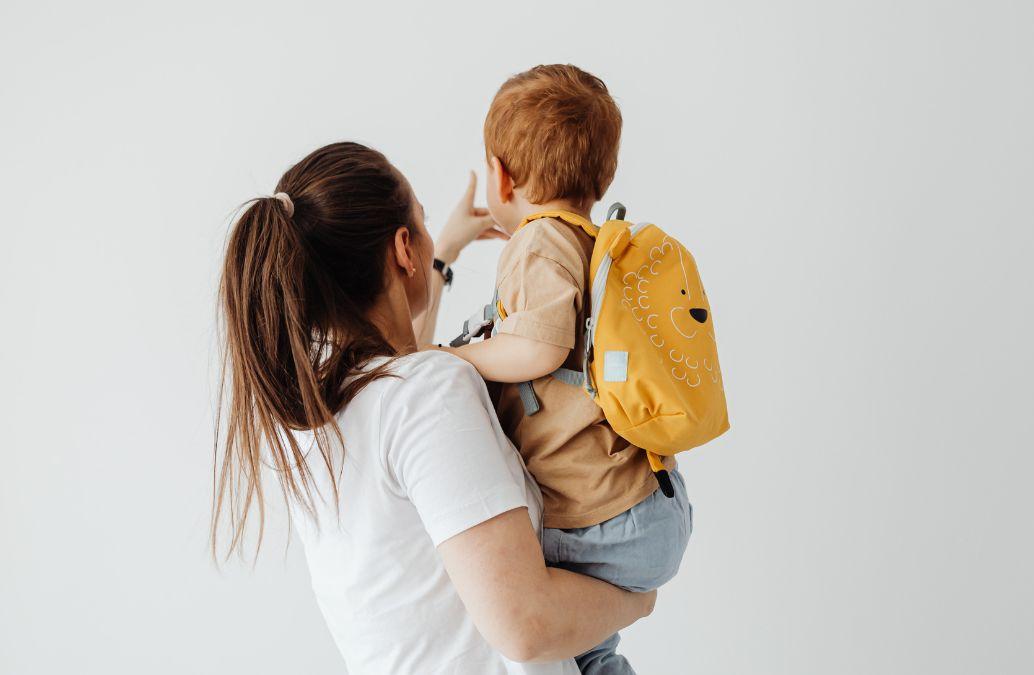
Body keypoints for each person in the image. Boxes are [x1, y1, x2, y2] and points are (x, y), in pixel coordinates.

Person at [214, 141, 657, 674]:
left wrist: (442, 253)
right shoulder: (426, 394)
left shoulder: (312, 414)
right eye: (419, 224)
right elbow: (525, 624)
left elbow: (403, 366)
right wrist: (637, 595)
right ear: (404, 249)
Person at [438, 65, 694, 674]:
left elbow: (540, 348)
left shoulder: (536, 240)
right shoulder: (586, 240)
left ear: (500, 175)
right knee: (588, 654)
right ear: (600, 176)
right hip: (645, 503)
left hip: (598, 519)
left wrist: (451, 358)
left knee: (487, 573)